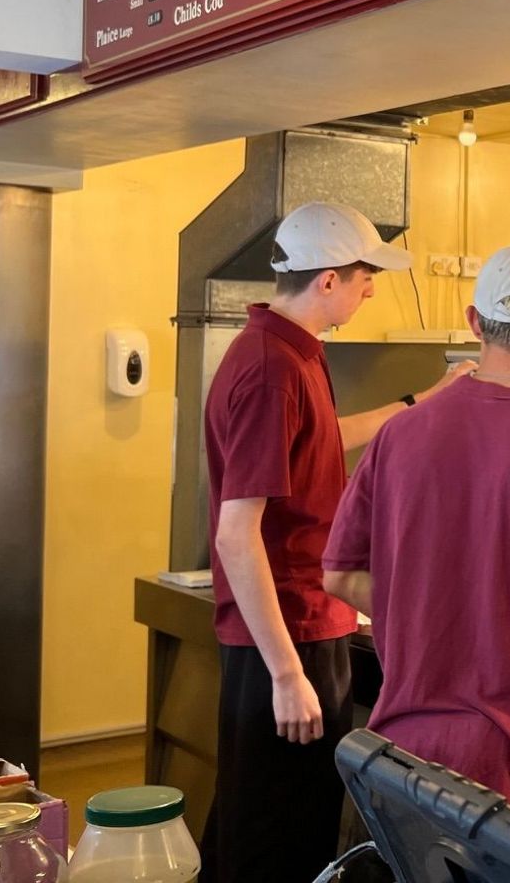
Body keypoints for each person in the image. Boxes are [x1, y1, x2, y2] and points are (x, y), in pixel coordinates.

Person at [202, 202, 468, 883]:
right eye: (363, 276)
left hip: (299, 625)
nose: (371, 288)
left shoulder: (286, 352)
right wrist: (288, 675)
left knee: (261, 818)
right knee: (281, 837)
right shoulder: (271, 369)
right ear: (327, 281)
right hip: (287, 633)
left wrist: (424, 402)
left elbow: (322, 441)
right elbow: (238, 536)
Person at [323, 245, 510, 823]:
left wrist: (418, 609)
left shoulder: (399, 437)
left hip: (403, 751)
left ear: (473, 323)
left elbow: (339, 574)